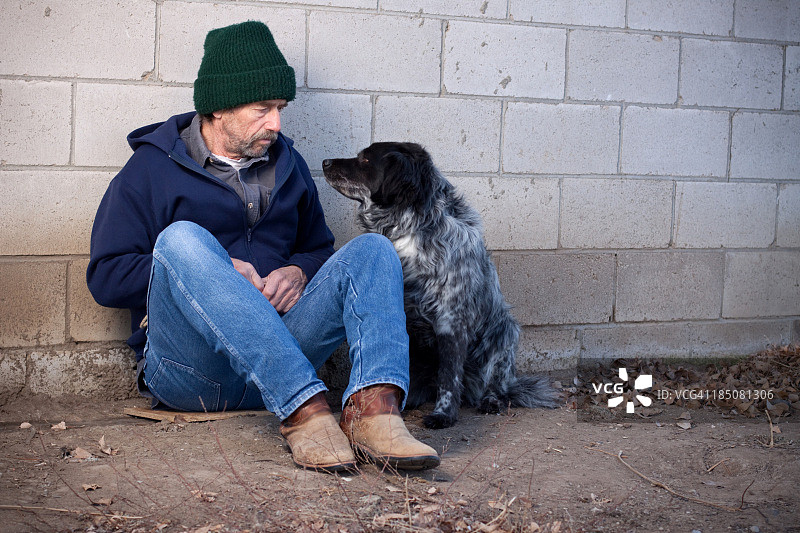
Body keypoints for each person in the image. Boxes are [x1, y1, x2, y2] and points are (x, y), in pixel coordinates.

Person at [87, 20, 439, 473]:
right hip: (193, 375)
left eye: (280, 108)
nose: (276, 123)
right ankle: (305, 413)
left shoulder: (289, 165)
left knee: (373, 250)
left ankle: (375, 414)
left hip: (283, 354)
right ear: (219, 108)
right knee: (182, 239)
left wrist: (300, 272)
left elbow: (319, 248)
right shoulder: (151, 168)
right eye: (262, 109)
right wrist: (213, 271)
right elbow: (106, 276)